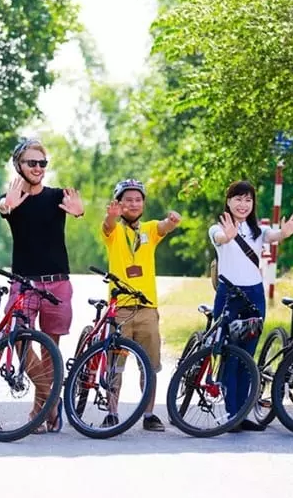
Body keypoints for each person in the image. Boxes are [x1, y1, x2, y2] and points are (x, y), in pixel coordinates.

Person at [0, 137, 85, 433]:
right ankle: (50, 399)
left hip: (57, 283)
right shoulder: (12, 197)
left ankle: (39, 412)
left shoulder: (58, 196)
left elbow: (77, 208)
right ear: (18, 166)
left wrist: (79, 211)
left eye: (42, 163)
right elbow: (3, 207)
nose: (37, 168)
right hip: (24, 283)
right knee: (19, 341)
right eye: (31, 163)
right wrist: (6, 206)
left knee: (50, 349)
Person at [209, 180, 293, 432]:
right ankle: (231, 414)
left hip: (254, 295)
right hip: (229, 294)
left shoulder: (258, 231)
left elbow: (274, 236)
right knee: (230, 355)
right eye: (238, 199)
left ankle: (243, 413)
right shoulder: (217, 228)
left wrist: (284, 233)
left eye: (248, 200)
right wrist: (228, 236)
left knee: (247, 357)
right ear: (228, 201)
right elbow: (220, 238)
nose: (243, 204)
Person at [100, 178, 181, 431]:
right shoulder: (115, 231)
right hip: (121, 308)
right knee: (116, 365)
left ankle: (149, 414)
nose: (134, 204)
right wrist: (111, 216)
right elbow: (107, 226)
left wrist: (172, 221)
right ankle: (112, 412)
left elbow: (164, 227)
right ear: (119, 203)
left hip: (147, 308)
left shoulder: (149, 229)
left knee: (149, 365)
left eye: (138, 200)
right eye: (128, 200)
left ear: (143, 204)